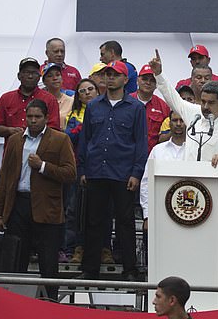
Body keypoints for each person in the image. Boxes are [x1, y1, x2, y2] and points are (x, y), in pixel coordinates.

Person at [0, 99, 76, 299]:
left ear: (47, 118)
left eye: (37, 117)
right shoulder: (15, 140)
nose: (33, 121)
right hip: (19, 205)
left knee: (48, 263)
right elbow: (5, 177)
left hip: (47, 207)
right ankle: (16, 303)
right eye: (29, 117)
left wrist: (43, 166)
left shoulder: (60, 139)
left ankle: (50, 304)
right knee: (17, 259)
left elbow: (70, 173)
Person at [77, 60, 147, 281]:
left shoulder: (136, 108)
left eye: (115, 74)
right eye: (107, 74)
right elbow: (85, 139)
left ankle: (129, 270)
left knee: (125, 222)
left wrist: (136, 173)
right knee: (94, 221)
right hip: (96, 170)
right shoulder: (93, 105)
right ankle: (90, 269)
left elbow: (140, 143)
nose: (110, 78)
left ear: (126, 80)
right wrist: (82, 169)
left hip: (123, 173)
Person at [151, 50, 218, 169]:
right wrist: (158, 74)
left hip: (216, 183)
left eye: (211, 103)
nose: (205, 107)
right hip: (189, 180)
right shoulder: (195, 113)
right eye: (203, 101)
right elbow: (173, 99)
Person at [64, 78, 96, 264]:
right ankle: (72, 248)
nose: (86, 93)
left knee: (96, 211)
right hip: (77, 165)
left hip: (100, 166)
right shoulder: (74, 114)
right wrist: (83, 128)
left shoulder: (104, 110)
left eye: (90, 89)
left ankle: (97, 249)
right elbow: (68, 137)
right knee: (74, 208)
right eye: (82, 91)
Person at [0, 57, 61, 139]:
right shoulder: (6, 98)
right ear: (19, 76)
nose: (30, 76)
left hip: (41, 149)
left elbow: (54, 129)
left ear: (39, 76)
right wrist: (10, 130)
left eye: (34, 73)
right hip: (13, 149)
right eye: (26, 72)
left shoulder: (50, 99)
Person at [140, 111, 187, 227]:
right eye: (175, 120)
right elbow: (146, 183)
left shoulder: (196, 151)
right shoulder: (158, 150)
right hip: (160, 211)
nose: (178, 124)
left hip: (187, 211)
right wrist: (147, 215)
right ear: (169, 124)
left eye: (182, 120)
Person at [132, 64, 171, 151]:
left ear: (157, 84)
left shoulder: (163, 107)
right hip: (128, 156)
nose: (148, 83)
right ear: (137, 80)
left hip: (153, 157)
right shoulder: (126, 102)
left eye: (152, 80)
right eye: (144, 79)